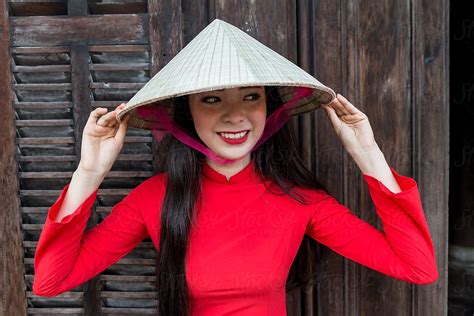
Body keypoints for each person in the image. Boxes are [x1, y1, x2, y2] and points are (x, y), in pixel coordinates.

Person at [32, 19, 438, 316]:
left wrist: (367, 153)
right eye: (212, 100)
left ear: (268, 108)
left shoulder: (300, 201)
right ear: (186, 112)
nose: (235, 116)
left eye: (250, 97)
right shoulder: (154, 198)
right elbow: (51, 282)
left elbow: (416, 267)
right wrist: (89, 173)